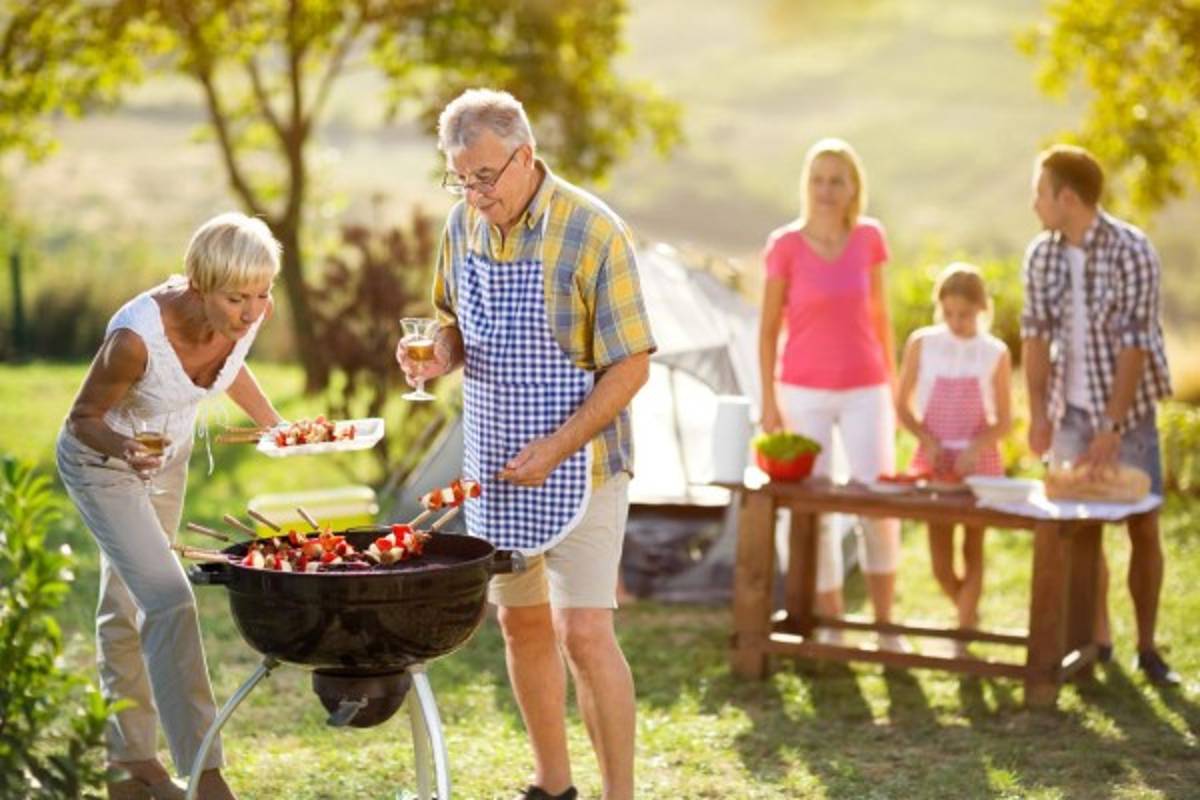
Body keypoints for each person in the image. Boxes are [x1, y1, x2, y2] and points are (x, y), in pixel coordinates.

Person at [397, 89, 654, 800]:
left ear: (526, 157)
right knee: (520, 625)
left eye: (485, 177)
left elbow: (631, 363)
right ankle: (552, 783)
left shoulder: (593, 231)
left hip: (584, 467)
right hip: (497, 467)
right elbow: (452, 324)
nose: (474, 194)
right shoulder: (462, 228)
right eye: (461, 178)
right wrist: (435, 356)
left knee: (585, 635)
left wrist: (557, 447)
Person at [56, 212, 286, 799]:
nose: (253, 312)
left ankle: (129, 761)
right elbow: (82, 420)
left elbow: (230, 368)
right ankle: (204, 771)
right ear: (199, 285)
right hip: (104, 462)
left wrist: (277, 425)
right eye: (238, 298)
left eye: (262, 295)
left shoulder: (247, 313)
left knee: (125, 605)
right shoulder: (135, 338)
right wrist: (125, 447)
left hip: (166, 461)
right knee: (169, 598)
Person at [1022, 144, 1180, 686]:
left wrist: (1113, 426)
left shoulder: (1133, 251)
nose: (1034, 202)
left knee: (1143, 526)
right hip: (1070, 414)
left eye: (1040, 192)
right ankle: (1098, 641)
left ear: (1068, 197)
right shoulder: (1041, 256)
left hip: (1128, 414)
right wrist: (1038, 414)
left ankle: (1148, 648)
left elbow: (1136, 345)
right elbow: (1035, 337)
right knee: (1080, 531)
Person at [758, 138, 904, 650]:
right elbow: (768, 327)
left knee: (876, 504)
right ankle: (830, 623)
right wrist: (770, 400)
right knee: (811, 512)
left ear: (852, 189)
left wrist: (896, 388)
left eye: (836, 180)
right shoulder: (785, 245)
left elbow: (882, 316)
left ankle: (886, 627)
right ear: (807, 185)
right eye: (818, 178)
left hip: (867, 389)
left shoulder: (869, 238)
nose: (826, 189)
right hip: (801, 392)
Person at [895, 263, 1012, 652]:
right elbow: (902, 405)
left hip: (979, 464)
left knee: (973, 546)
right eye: (949, 314)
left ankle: (962, 634)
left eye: (964, 314)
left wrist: (977, 448)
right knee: (941, 562)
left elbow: (1005, 421)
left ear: (981, 309)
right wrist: (925, 439)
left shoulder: (994, 352)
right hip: (935, 460)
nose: (956, 322)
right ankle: (966, 607)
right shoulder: (923, 344)